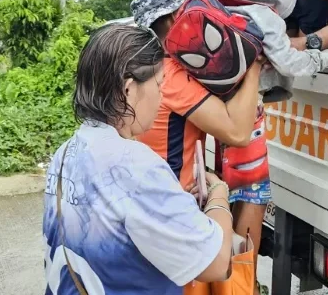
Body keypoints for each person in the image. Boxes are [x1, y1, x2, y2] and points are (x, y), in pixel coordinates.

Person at [42, 24, 237, 294]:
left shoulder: (64, 153)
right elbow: (216, 263)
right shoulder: (135, 167)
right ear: (128, 90)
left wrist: (174, 204)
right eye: (158, 85)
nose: (160, 97)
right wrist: (218, 195)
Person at [130, 0, 268, 295]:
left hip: (148, 204)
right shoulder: (172, 75)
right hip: (175, 210)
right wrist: (255, 64)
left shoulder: (138, 71)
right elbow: (237, 133)